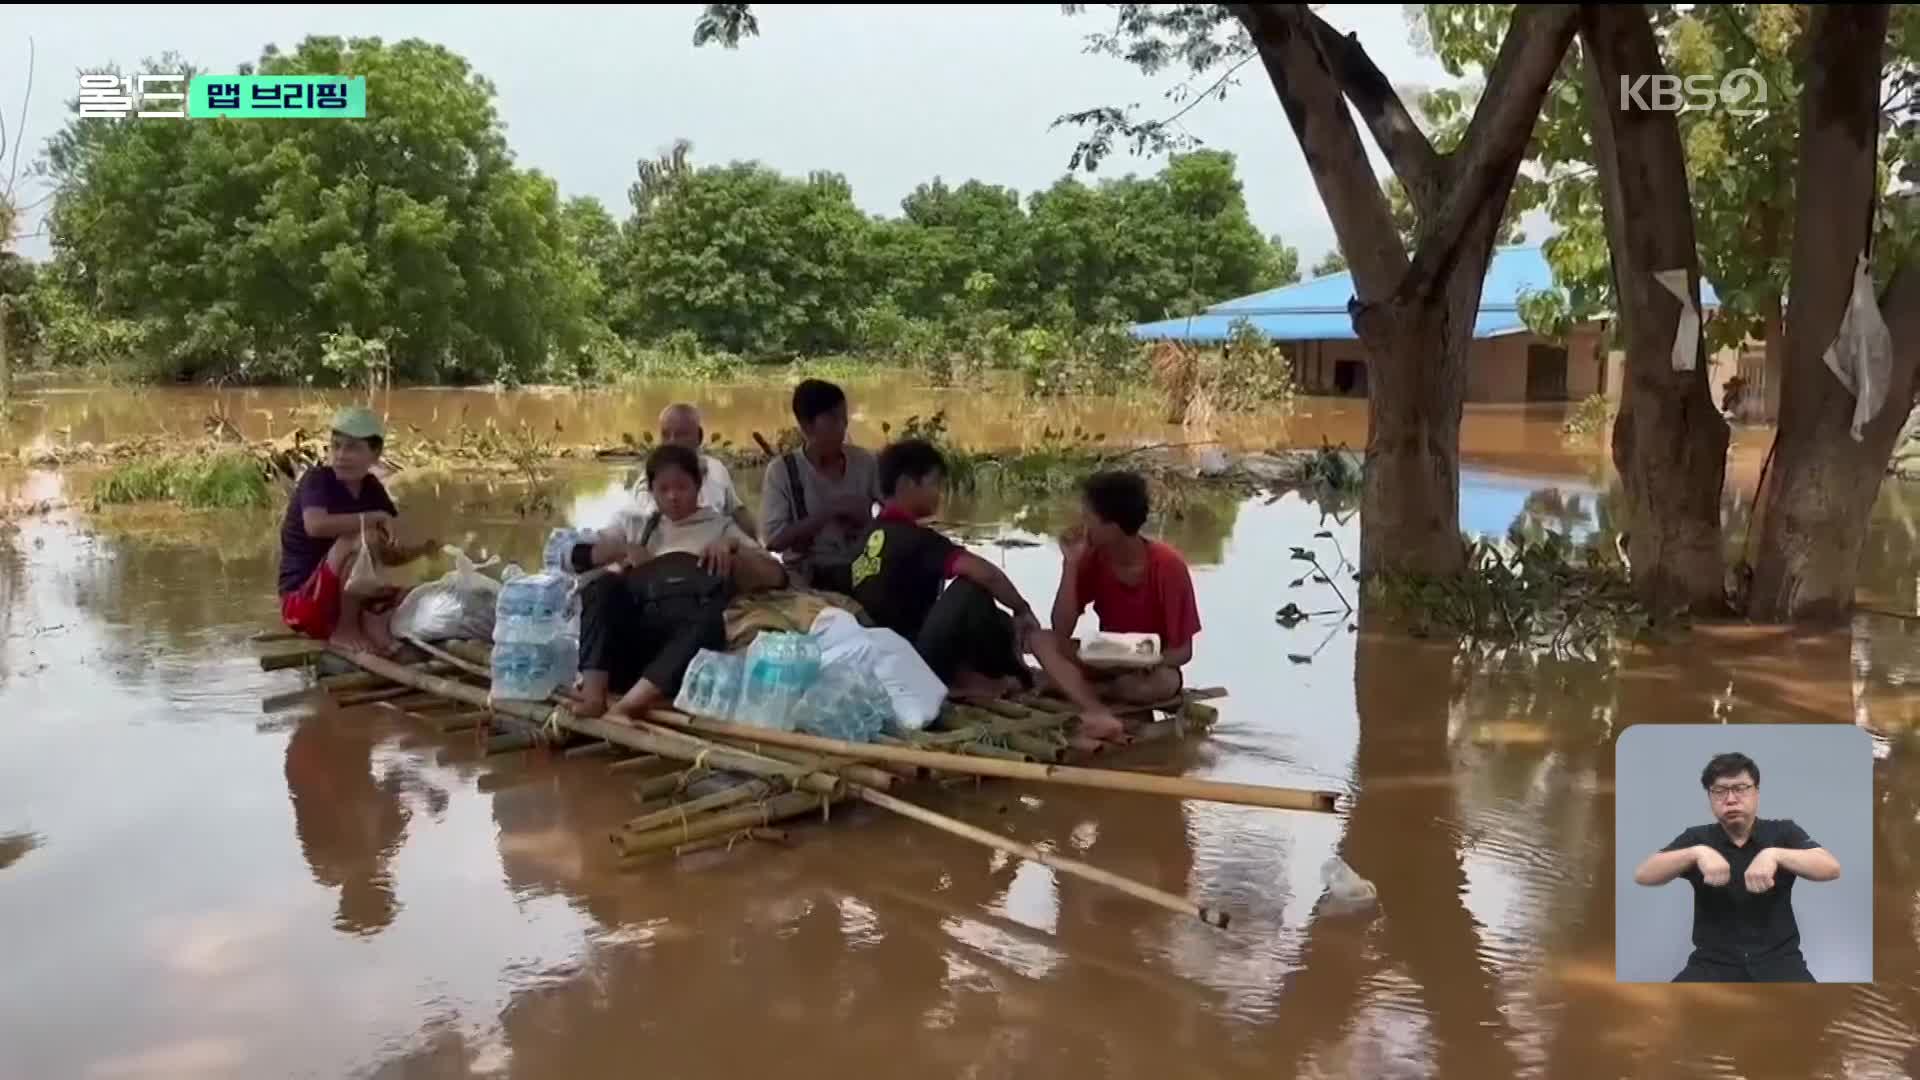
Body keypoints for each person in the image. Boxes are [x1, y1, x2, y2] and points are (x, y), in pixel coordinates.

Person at [851, 439, 1129, 748]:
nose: (939, 494)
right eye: (934, 484)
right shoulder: (913, 538)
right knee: (972, 589)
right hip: (916, 663)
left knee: (987, 614)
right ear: (906, 484)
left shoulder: (868, 536)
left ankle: (988, 672)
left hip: (891, 659)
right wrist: (1022, 608)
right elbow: (983, 572)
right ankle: (1004, 676)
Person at [568, 443, 786, 721]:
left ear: (698, 486)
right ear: (652, 491)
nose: (673, 497)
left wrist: (732, 547)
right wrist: (621, 551)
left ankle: (627, 707)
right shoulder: (638, 526)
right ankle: (593, 697)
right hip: (633, 652)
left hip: (680, 659)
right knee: (602, 587)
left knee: (710, 621)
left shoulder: (720, 527)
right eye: (663, 489)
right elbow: (572, 556)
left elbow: (778, 576)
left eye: (682, 487)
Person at [1631, 751, 1842, 982]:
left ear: (1756, 792)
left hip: (1780, 962)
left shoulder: (1784, 831)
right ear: (1710, 798)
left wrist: (1775, 855)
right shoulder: (1696, 837)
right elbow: (1644, 874)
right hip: (1711, 964)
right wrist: (1696, 853)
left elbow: (1830, 867)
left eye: (1741, 788)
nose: (1730, 799)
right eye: (1720, 791)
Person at [278, 406, 438, 655]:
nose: (341, 455)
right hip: (303, 604)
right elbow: (316, 525)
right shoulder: (316, 480)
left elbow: (385, 553)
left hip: (346, 599)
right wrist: (374, 518)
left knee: (417, 595)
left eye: (352, 447)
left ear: (375, 454)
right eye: (336, 446)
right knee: (362, 536)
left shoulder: (372, 488)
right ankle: (346, 629)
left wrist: (423, 549)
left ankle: (370, 624)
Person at [1050, 470, 1201, 704]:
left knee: (1155, 684)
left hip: (1149, 663)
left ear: (1113, 527)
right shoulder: (1091, 557)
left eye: (1089, 519)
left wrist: (1140, 661)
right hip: (1105, 653)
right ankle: (1095, 687)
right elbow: (1061, 629)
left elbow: (1182, 652)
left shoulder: (1168, 566)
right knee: (1042, 640)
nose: (1083, 527)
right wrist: (1070, 565)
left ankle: (1090, 690)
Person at [760, 379, 880, 595]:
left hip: (861, 569)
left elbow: (893, 515)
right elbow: (774, 541)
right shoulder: (782, 471)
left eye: (844, 418)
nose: (842, 426)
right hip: (807, 576)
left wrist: (867, 519)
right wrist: (830, 511)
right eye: (833, 420)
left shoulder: (865, 462)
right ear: (806, 425)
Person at [630, 402, 756, 538]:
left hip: (719, 553)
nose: (672, 442)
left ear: (699, 436)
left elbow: (737, 510)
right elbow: (645, 522)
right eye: (666, 435)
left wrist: (755, 545)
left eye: (681, 435)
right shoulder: (651, 479)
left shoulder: (716, 467)